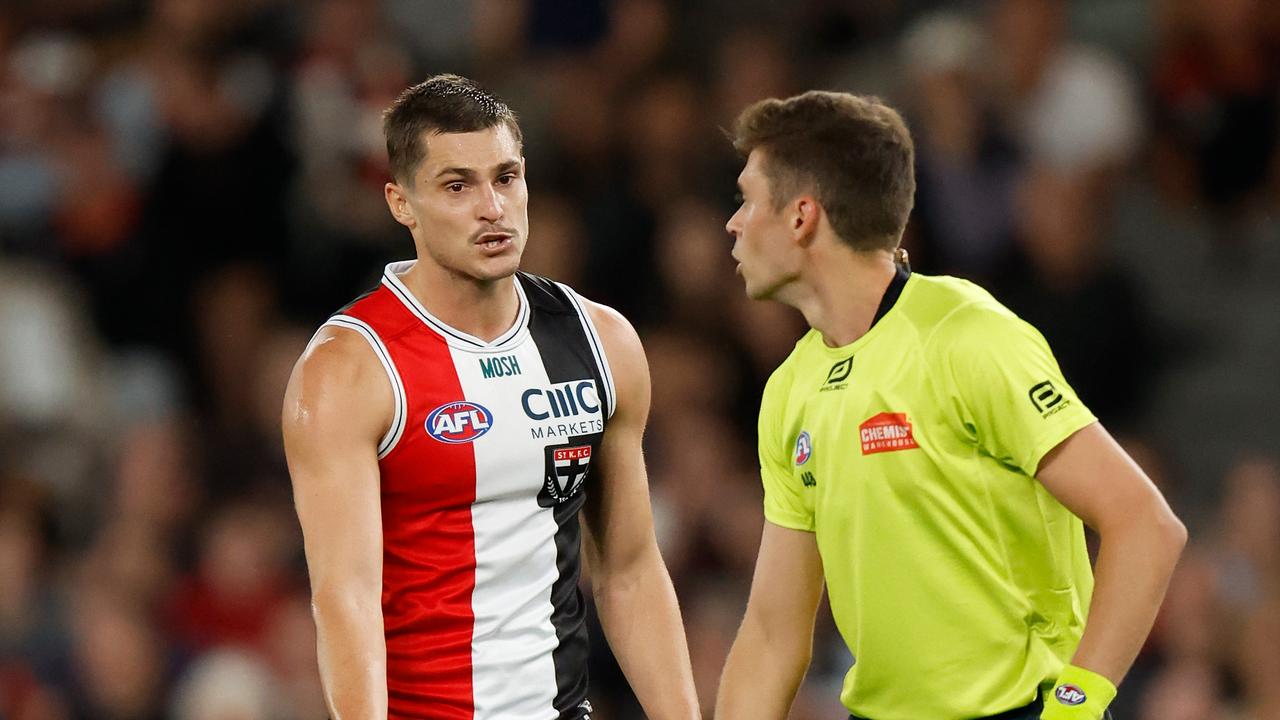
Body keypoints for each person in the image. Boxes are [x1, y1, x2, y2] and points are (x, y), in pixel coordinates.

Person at [713, 91, 1187, 720]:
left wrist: (1077, 705)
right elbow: (773, 633)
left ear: (802, 216)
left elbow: (1146, 526)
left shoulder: (968, 339)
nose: (733, 223)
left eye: (747, 199)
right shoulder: (790, 390)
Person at [282, 74, 699, 720]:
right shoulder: (350, 370)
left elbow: (630, 571)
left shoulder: (601, 343)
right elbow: (346, 601)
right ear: (401, 203)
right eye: (458, 186)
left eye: (506, 178)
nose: (493, 208)